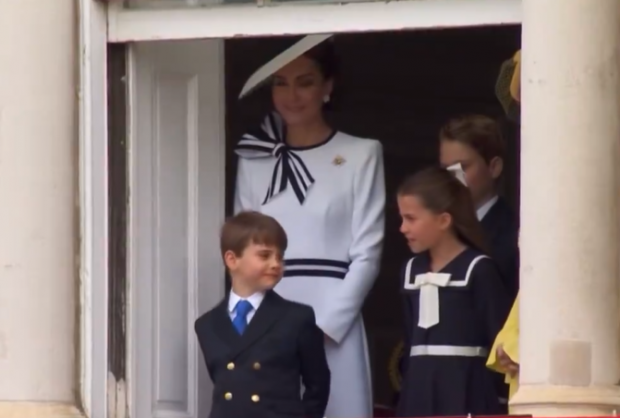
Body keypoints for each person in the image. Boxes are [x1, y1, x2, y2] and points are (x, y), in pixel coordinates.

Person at [234, 39, 385, 418]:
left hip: (334, 320)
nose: (292, 95)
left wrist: (323, 328)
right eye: (281, 83)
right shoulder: (254, 159)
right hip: (270, 321)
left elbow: (367, 253)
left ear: (327, 86)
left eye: (304, 81)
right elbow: (242, 254)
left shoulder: (361, 153)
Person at [395, 167, 510, 418]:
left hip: (465, 390)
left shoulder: (478, 270)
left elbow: (498, 341)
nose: (402, 228)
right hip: (418, 393)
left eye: (411, 218)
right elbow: (409, 338)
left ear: (444, 220)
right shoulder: (410, 271)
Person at [194, 211, 330, 418]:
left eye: (280, 256)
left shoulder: (297, 318)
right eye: (265, 255)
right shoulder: (207, 325)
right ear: (232, 260)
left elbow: (318, 385)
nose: (276, 263)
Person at [439, 114, 519, 300]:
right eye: (446, 169)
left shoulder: (514, 235)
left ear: (494, 167)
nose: (453, 176)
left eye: (462, 166)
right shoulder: (434, 227)